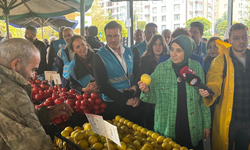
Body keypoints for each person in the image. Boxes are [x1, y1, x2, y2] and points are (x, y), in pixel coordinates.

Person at [138, 35, 211, 149]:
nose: (173, 54)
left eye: (179, 50)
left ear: (187, 51)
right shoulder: (161, 69)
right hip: (167, 124)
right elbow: (151, 98)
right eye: (172, 49)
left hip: (192, 123)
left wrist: (206, 124)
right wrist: (146, 90)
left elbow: (203, 99)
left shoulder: (196, 67)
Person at [0, 38, 73, 149]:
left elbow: (16, 120)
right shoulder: (9, 92)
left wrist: (48, 113)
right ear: (16, 65)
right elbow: (35, 145)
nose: (33, 75)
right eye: (33, 69)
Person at [200, 23, 250, 150]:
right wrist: (210, 91)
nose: (241, 41)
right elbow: (214, 81)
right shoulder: (221, 60)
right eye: (237, 38)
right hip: (230, 117)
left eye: (244, 37)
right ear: (230, 39)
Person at [92, 21, 142, 124]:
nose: (112, 39)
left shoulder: (130, 51)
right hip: (114, 103)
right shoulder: (99, 57)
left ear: (121, 36)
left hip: (133, 101)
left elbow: (137, 74)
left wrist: (136, 93)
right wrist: (124, 101)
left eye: (116, 36)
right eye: (109, 36)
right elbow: (102, 85)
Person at [136, 35, 168, 130]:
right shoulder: (145, 59)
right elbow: (140, 76)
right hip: (148, 97)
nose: (158, 47)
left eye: (160, 44)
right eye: (155, 44)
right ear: (151, 46)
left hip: (163, 98)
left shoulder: (169, 59)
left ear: (164, 46)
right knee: (150, 125)